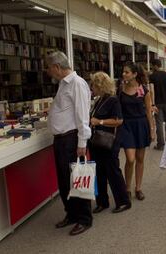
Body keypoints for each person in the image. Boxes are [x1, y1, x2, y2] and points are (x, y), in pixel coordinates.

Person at [46, 51, 92, 235]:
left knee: (78, 179)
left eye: (49, 68)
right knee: (65, 181)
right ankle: (71, 213)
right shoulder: (63, 84)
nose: (48, 72)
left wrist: (82, 142)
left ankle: (85, 218)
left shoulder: (77, 84)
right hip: (61, 139)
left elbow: (83, 116)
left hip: (71, 139)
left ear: (57, 67)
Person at [89, 72, 131, 214]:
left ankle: (123, 201)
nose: (91, 87)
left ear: (100, 85)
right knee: (99, 172)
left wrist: (99, 121)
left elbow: (119, 120)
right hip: (97, 141)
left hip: (108, 141)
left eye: (93, 85)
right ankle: (102, 201)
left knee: (113, 171)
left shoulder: (112, 100)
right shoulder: (99, 100)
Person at [119, 62, 155, 201]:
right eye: (123, 72)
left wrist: (152, 130)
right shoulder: (121, 89)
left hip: (141, 125)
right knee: (130, 158)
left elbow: (148, 111)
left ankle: (138, 188)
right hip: (126, 126)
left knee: (140, 159)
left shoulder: (144, 90)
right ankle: (127, 188)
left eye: (127, 72)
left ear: (134, 74)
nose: (124, 74)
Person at [149, 59, 166, 150]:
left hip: (158, 103)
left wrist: (153, 104)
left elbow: (152, 90)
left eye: (152, 65)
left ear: (155, 65)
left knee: (159, 123)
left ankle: (160, 144)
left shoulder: (152, 76)